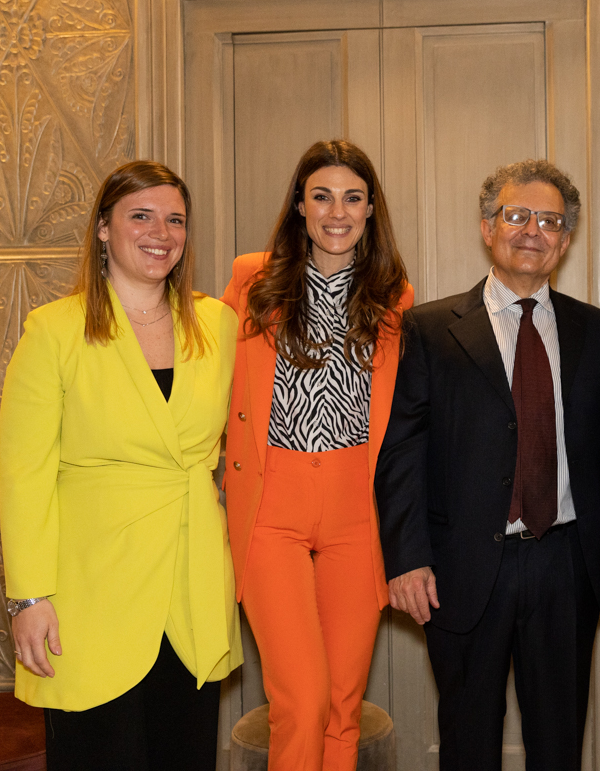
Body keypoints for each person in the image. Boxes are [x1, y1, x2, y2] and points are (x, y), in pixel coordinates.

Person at [0, 161, 242, 770]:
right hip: (90, 589)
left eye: (175, 220)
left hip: (191, 581)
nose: (161, 233)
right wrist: (28, 598)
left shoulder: (218, 324)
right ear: (103, 228)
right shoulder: (54, 331)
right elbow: (24, 474)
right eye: (141, 216)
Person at [375, 159, 600, 771]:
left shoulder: (596, 331)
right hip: (462, 569)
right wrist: (406, 558)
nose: (533, 230)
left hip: (565, 565)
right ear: (488, 228)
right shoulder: (431, 329)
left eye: (550, 221)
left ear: (565, 239)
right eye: (516, 215)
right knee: (468, 742)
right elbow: (402, 452)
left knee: (558, 746)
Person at [221, 139, 411, 771]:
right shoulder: (253, 279)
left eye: (352, 198)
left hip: (357, 507)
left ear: (370, 208)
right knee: (301, 700)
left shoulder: (394, 295)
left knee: (341, 704)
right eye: (322, 196)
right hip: (271, 503)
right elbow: (212, 380)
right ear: (299, 206)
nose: (337, 212)